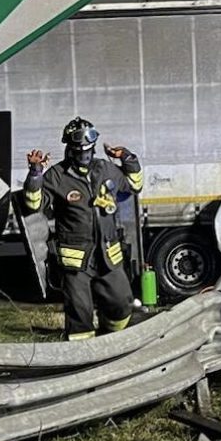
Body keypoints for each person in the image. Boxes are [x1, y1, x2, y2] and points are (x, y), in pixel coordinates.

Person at [22, 117, 144, 341]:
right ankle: (83, 358)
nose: (84, 153)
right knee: (80, 314)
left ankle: (112, 340)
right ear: (69, 147)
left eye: (88, 147)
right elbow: (33, 204)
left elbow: (135, 185)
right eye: (78, 148)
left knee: (121, 303)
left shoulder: (106, 169)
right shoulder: (57, 176)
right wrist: (35, 173)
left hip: (108, 253)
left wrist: (127, 157)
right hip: (77, 260)